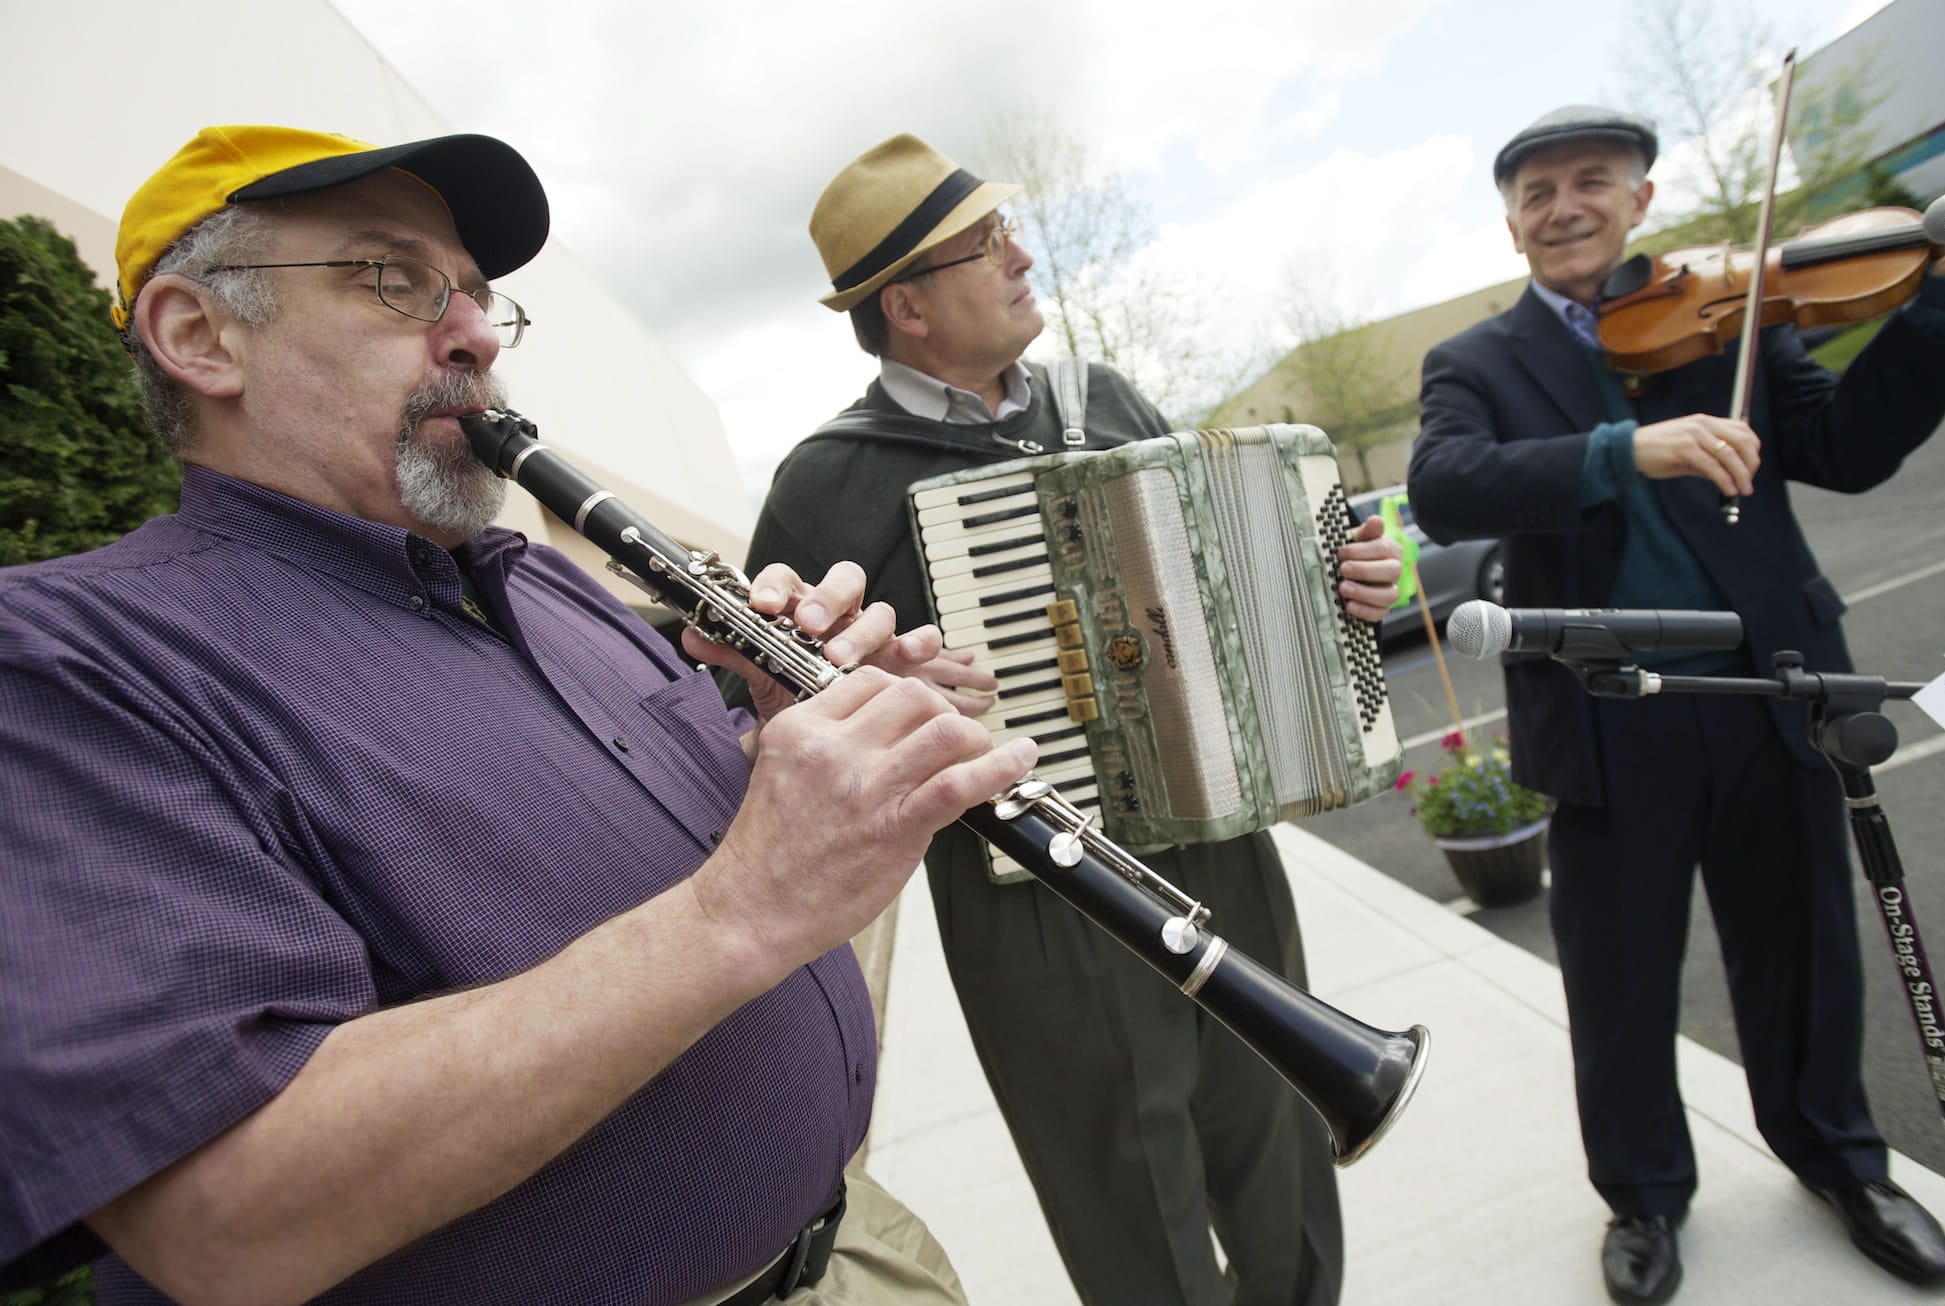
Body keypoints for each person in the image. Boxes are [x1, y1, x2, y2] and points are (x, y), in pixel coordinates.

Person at [0, 124, 1040, 1306]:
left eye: (482, 297)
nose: (479, 332)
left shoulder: (537, 574)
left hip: (861, 1251)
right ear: (201, 336)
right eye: (396, 279)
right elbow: (224, 1215)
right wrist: (743, 904)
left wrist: (802, 734)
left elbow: (702, 840)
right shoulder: (62, 659)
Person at [745, 133, 1409, 1306]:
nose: (1020, 255)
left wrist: (1338, 582)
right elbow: (774, 716)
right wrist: (892, 703)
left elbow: (1228, 571)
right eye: (985, 243)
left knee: (1284, 1141)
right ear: (905, 303)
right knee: (1124, 1187)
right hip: (1030, 892)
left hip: (1220, 836)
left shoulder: (1099, 400)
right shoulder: (823, 483)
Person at [1407, 105, 1945, 1304]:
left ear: (1641, 199)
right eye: (1537, 192)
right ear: (1511, 222)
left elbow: (1847, 446)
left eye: (1591, 181)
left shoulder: (1725, 309)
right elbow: (1445, 484)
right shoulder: (1473, 362)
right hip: (1607, 707)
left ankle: (1840, 1161)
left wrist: (1943, 304)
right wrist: (1627, 448)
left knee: (1802, 947)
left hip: (1764, 683)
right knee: (1617, 979)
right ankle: (1640, 1196)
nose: (1563, 206)